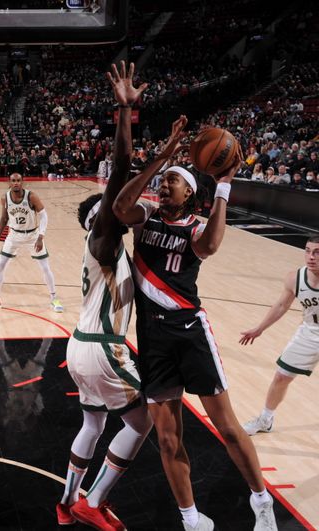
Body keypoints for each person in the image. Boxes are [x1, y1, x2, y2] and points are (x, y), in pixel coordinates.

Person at [112, 118, 277, 531]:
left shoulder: (195, 227)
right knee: (167, 439)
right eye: (164, 181)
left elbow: (212, 246)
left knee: (227, 427)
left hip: (189, 333)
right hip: (152, 340)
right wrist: (162, 158)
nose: (165, 185)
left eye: (174, 181)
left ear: (190, 192)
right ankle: (190, 520)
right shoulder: (145, 216)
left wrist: (223, 185)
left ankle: (262, 502)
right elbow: (119, 206)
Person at [58, 61, 153, 530]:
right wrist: (123, 111)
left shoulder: (103, 249)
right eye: (111, 206)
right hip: (99, 348)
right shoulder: (102, 237)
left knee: (93, 425)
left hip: (80, 344)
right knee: (141, 423)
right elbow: (120, 170)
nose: (120, 206)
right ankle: (93, 502)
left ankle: (66, 499)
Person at [240, 235, 319, 435]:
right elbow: (282, 305)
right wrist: (259, 329)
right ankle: (265, 420)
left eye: (317, 252)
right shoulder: (296, 278)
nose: (311, 256)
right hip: (310, 332)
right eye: (308, 251)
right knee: (282, 376)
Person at [0, 172, 64, 313]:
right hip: (13, 235)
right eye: (13, 180)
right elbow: (3, 218)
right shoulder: (5, 198)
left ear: (22, 182)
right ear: (9, 182)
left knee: (44, 266)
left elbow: (44, 216)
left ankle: (54, 299)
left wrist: (40, 237)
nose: (16, 183)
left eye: (19, 180)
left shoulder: (31, 196)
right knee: (1, 264)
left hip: (32, 236)